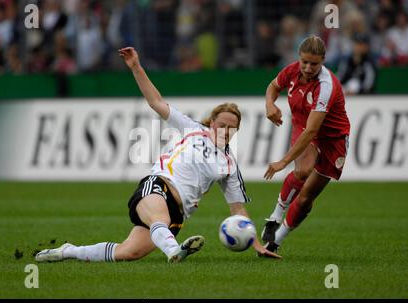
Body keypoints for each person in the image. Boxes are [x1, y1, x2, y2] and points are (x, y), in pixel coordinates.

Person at [36, 47, 280, 264]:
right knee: (159, 218)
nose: (226, 131)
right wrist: (136, 67)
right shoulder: (193, 129)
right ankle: (174, 252)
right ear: (212, 122)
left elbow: (238, 210)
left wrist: (256, 245)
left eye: (232, 127)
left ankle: (68, 252)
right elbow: (155, 101)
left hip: (179, 213)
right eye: (222, 124)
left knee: (127, 253)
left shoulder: (228, 165)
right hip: (158, 186)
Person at [261, 35, 350, 252]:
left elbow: (313, 130)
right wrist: (270, 104)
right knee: (302, 171)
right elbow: (272, 86)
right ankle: (274, 218)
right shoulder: (291, 70)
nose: (308, 68)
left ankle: (276, 241)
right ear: (299, 58)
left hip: (332, 140)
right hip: (303, 127)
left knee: (305, 199)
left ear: (323, 61)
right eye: (305, 62)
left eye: (314, 63)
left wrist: (283, 162)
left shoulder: (326, 86)